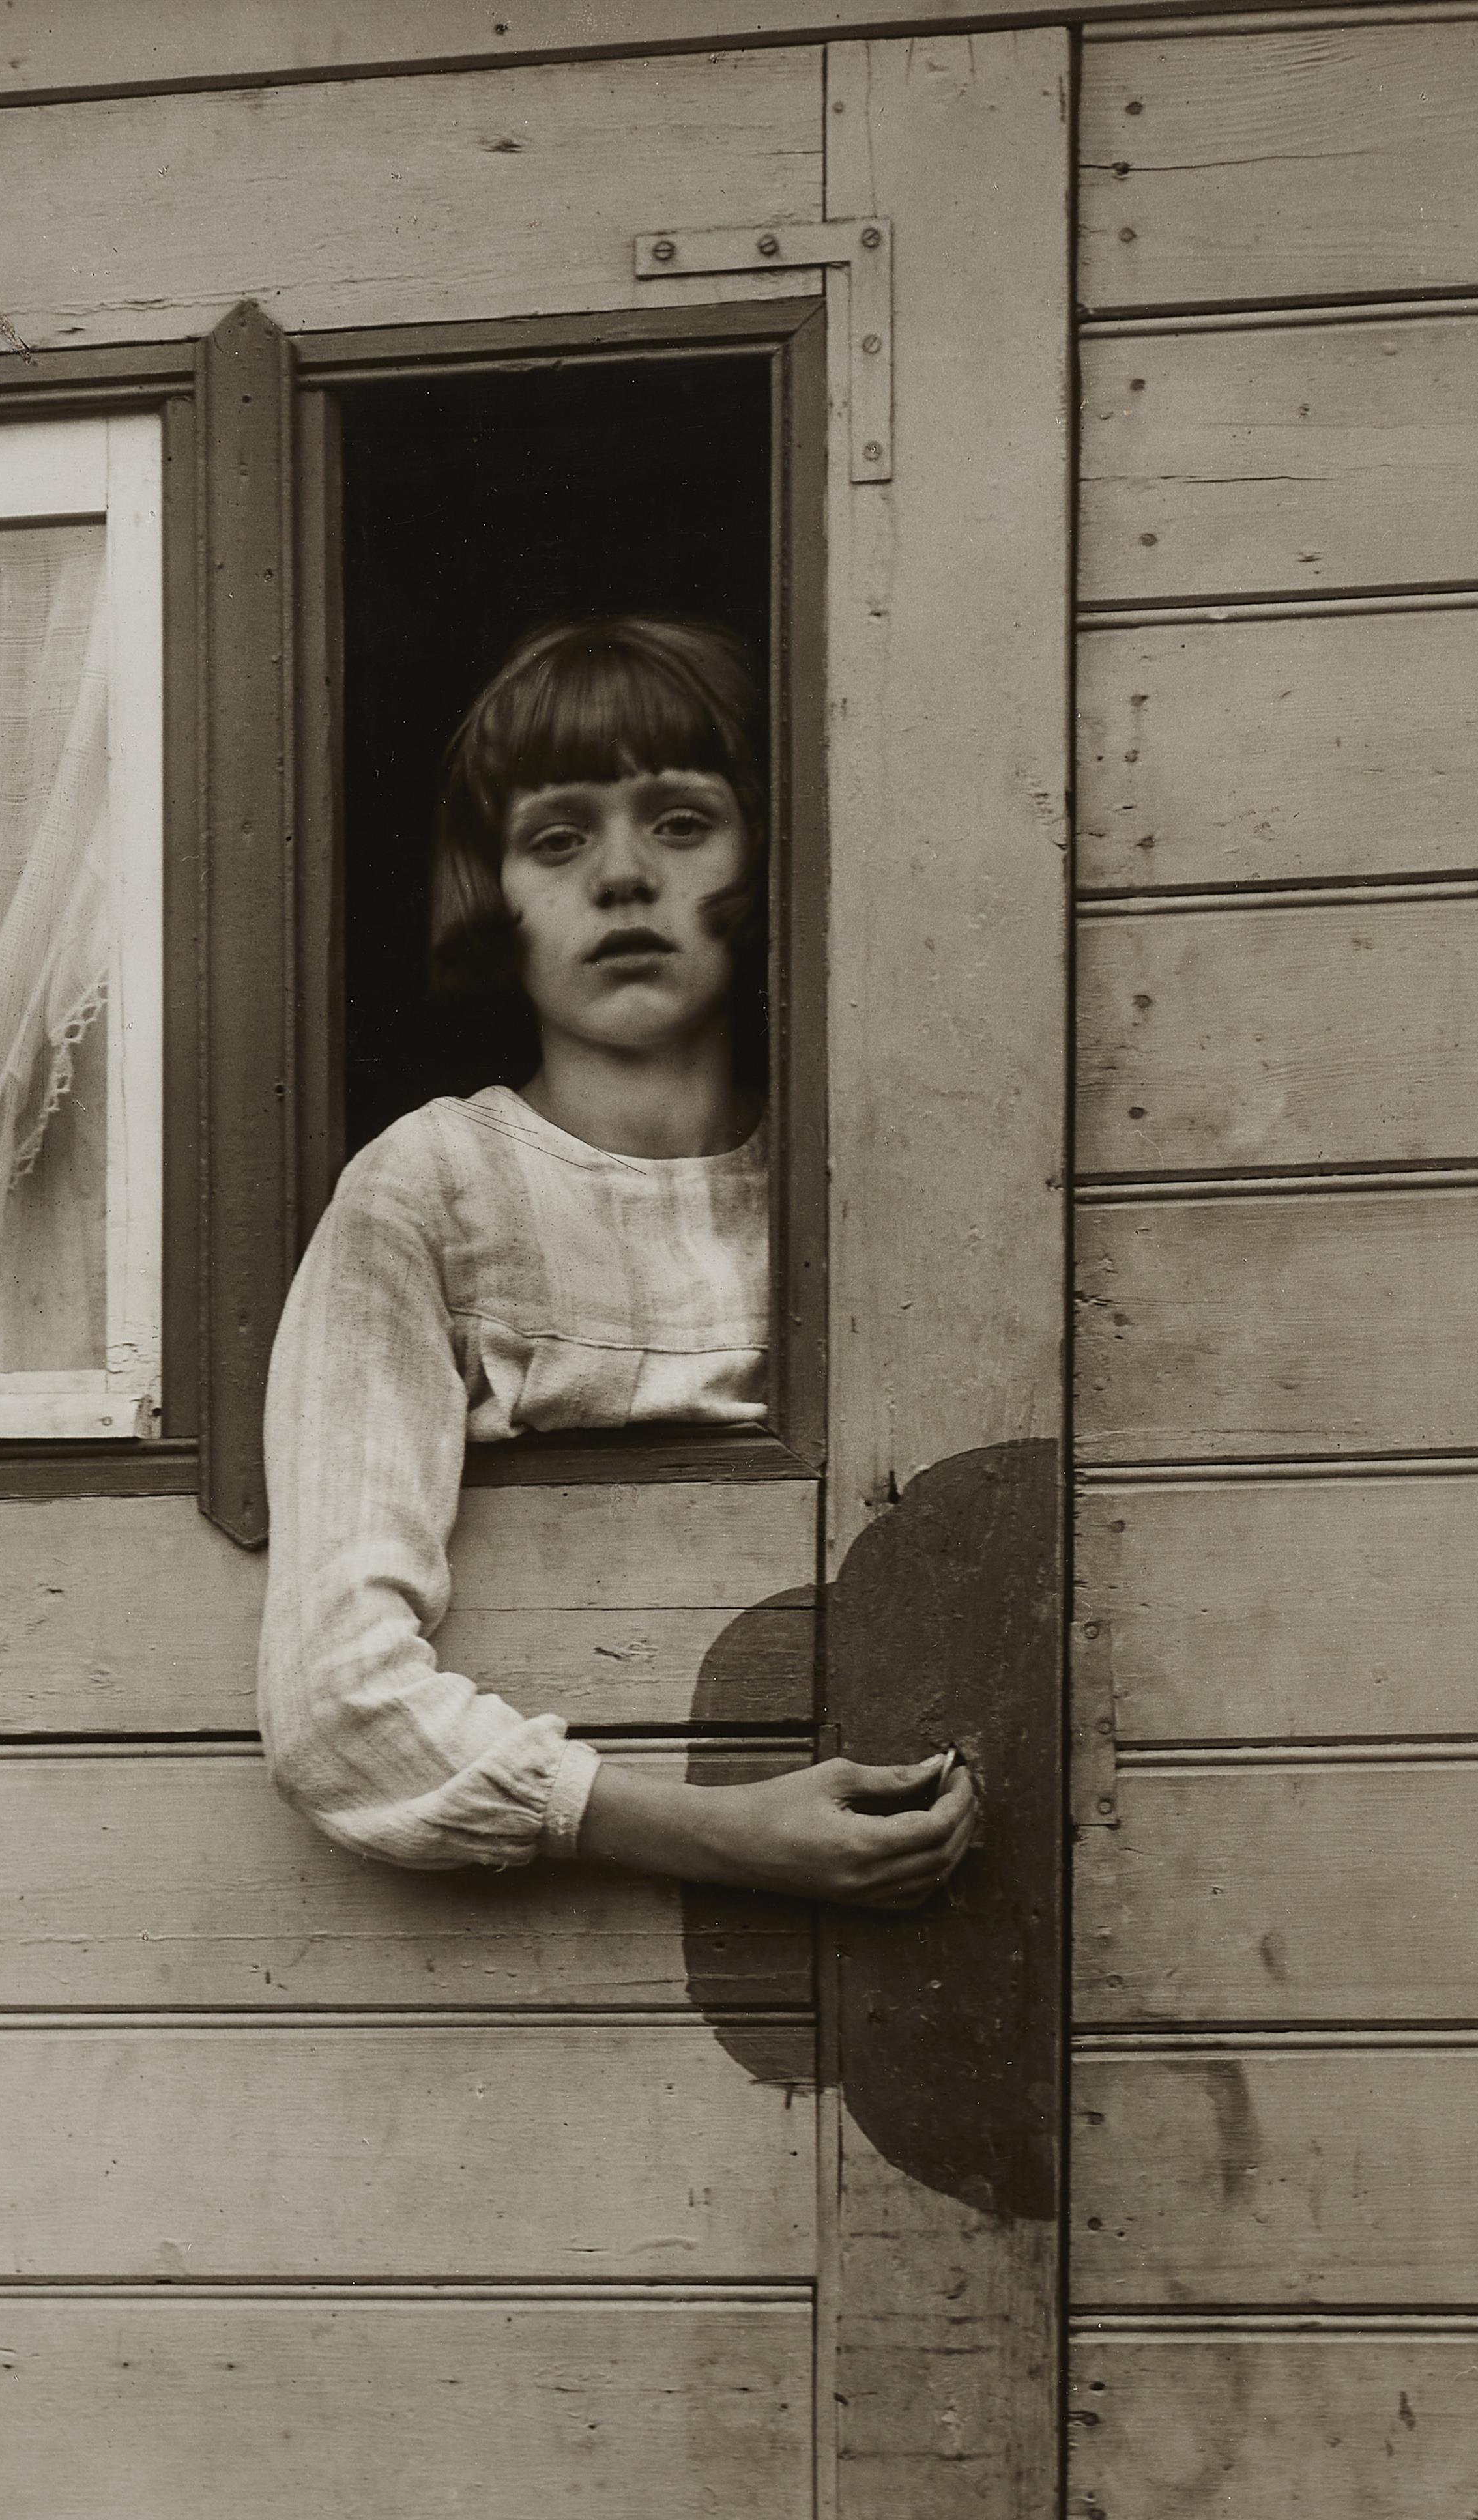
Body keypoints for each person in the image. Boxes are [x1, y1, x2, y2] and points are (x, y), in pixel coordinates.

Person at [259, 614, 979, 1907]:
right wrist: (720, 1833)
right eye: (558, 838)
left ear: (767, 854)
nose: (625, 878)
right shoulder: (428, 1189)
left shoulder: (869, 1176)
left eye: (683, 822)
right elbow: (333, 1702)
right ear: (491, 889)